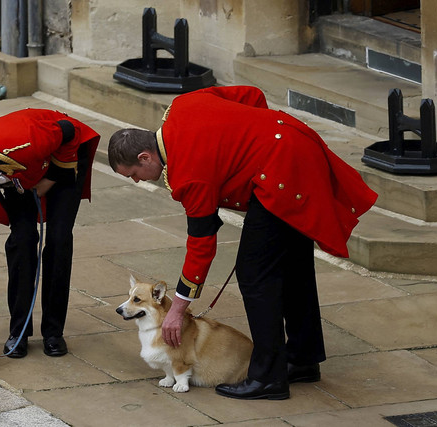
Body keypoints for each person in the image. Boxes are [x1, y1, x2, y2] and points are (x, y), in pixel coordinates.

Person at [107, 85, 377, 400]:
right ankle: (303, 359)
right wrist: (256, 137)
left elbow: (202, 245)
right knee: (292, 264)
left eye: (135, 174)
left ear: (145, 156)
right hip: (294, 144)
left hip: (280, 174)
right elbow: (251, 95)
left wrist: (177, 310)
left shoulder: (188, 174)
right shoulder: (181, 106)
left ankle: (268, 377)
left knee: (255, 273)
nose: (139, 181)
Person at [0, 108, 100, 358]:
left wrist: (51, 179)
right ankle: (19, 332)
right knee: (21, 240)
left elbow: (70, 132)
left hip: (61, 157)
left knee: (58, 239)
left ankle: (53, 333)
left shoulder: (28, 142)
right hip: (20, 176)